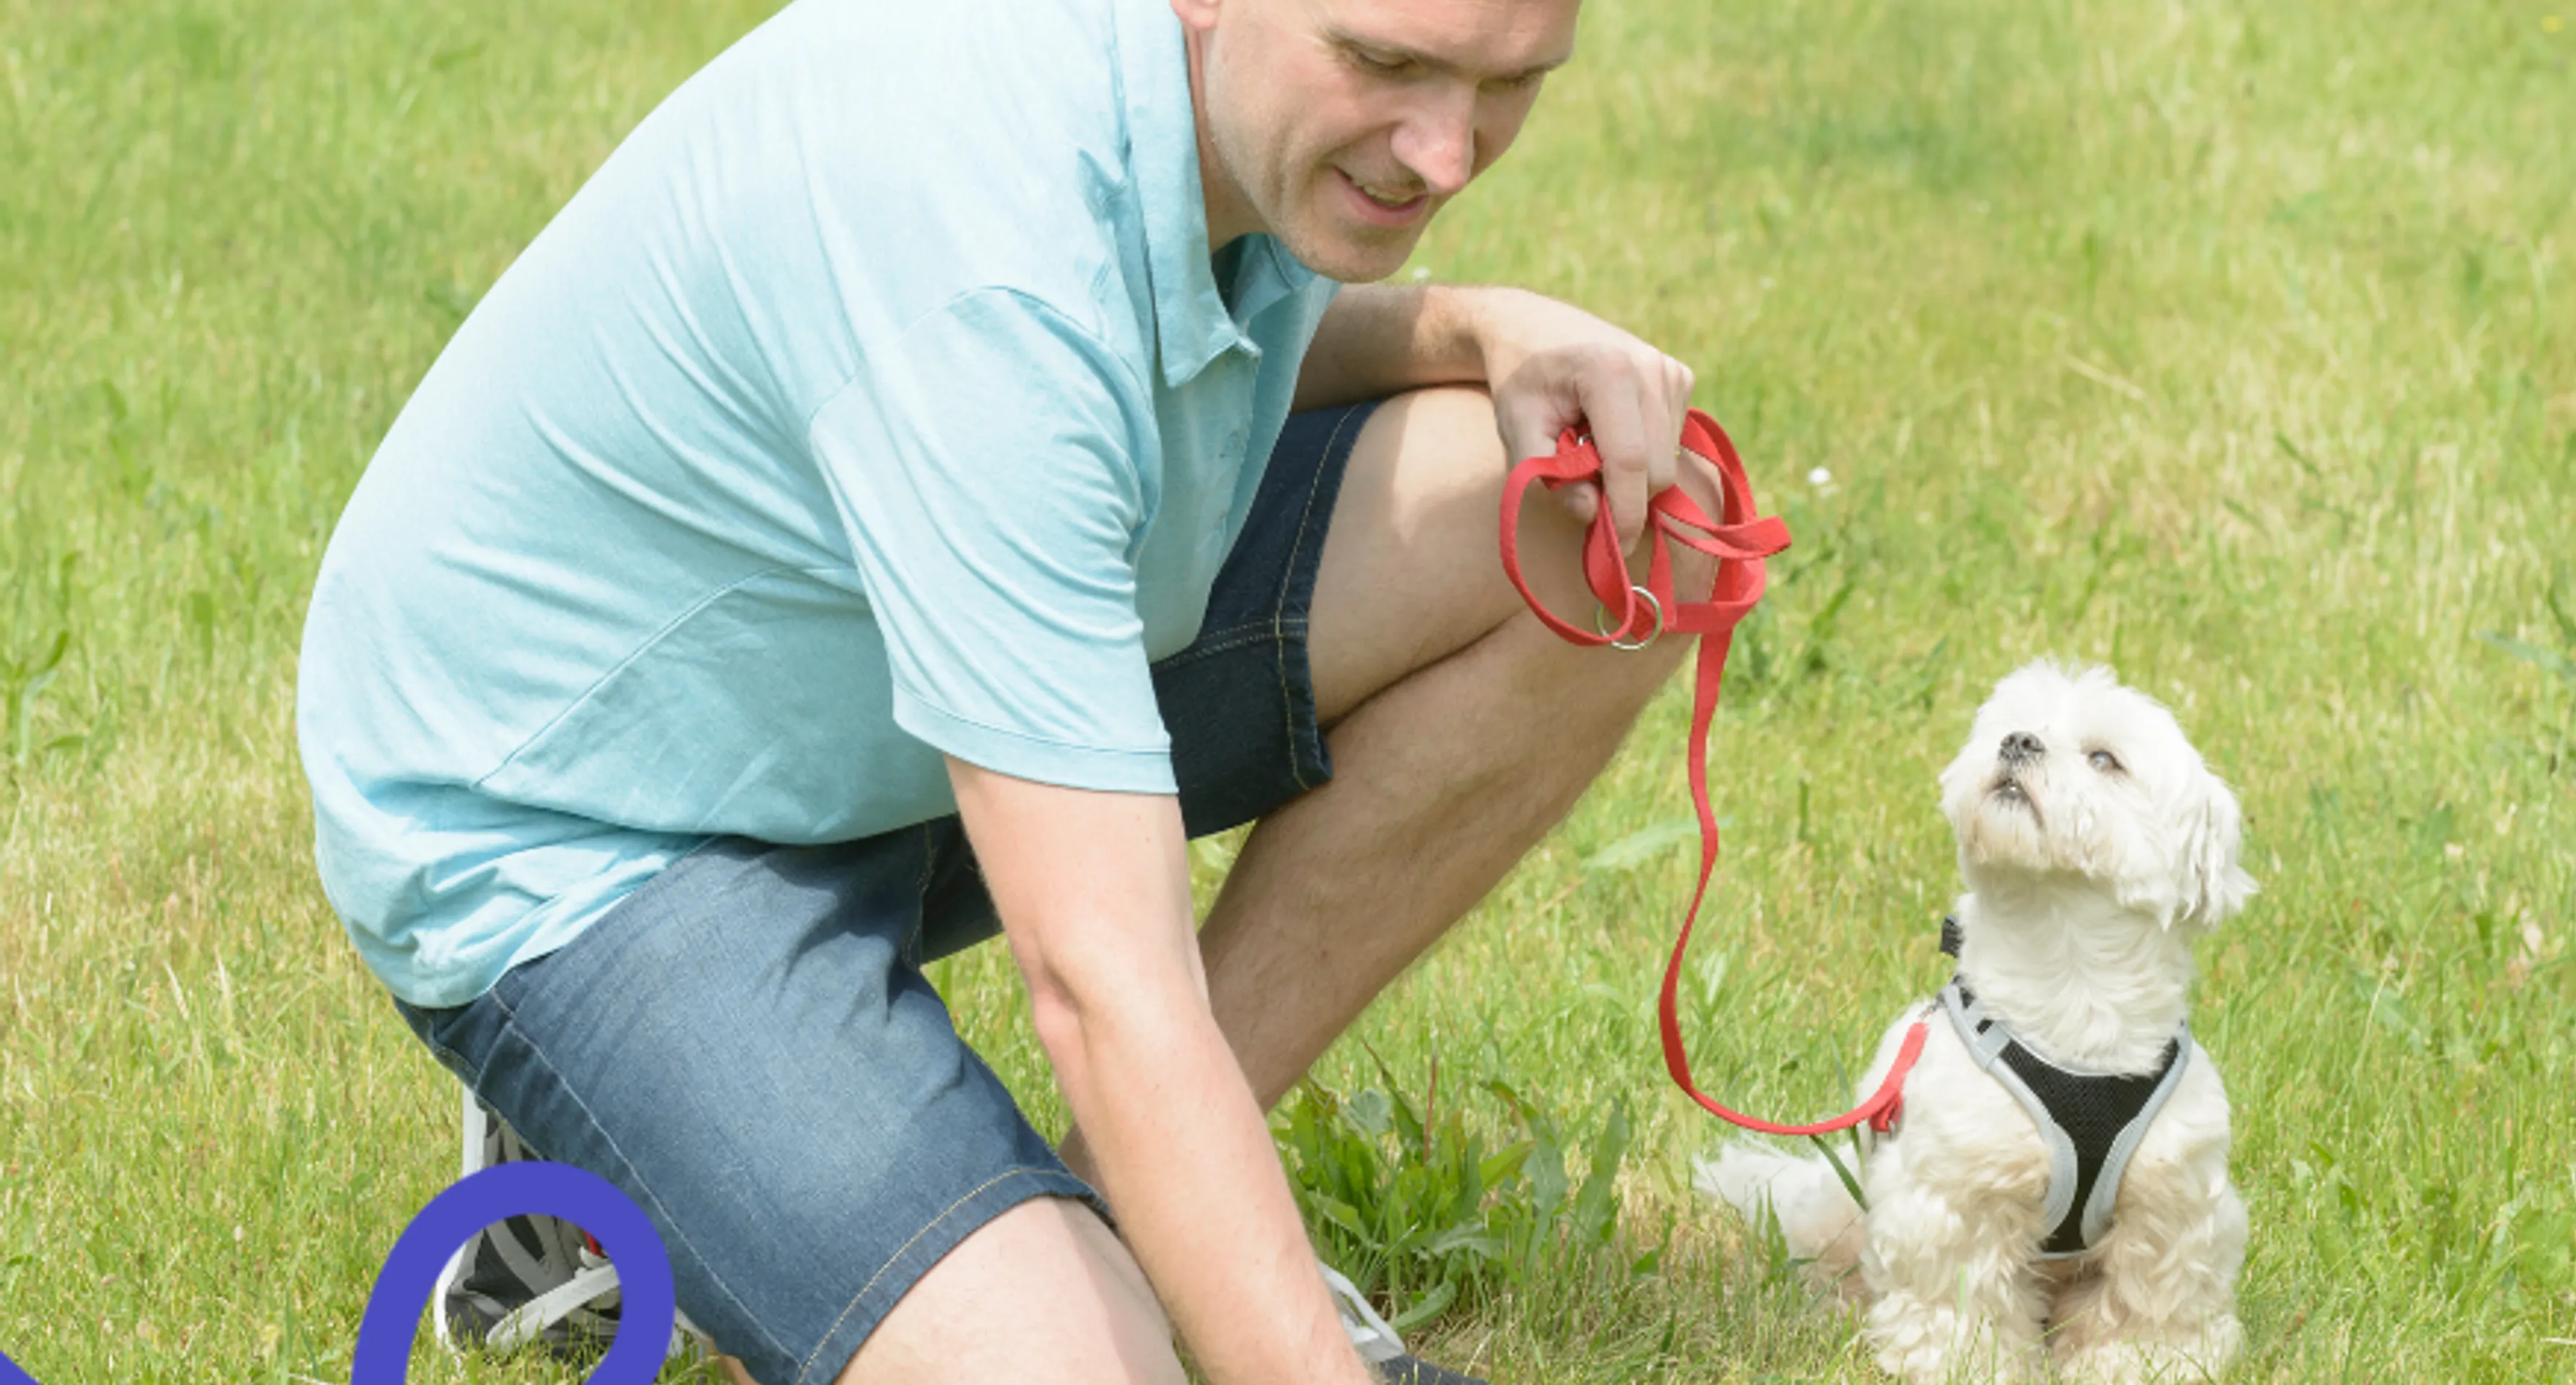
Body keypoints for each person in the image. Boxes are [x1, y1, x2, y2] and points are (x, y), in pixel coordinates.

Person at [295, 0, 1724, 1381]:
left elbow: (1130, 369)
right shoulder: (976, 231)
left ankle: (1130, 1218)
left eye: (1509, 81)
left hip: (870, 692)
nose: (1446, 155)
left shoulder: (1211, 102)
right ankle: (627, 1091)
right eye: (1385, 61)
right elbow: (1102, 983)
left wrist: (1477, 329)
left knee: (1622, 530)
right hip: (587, 825)